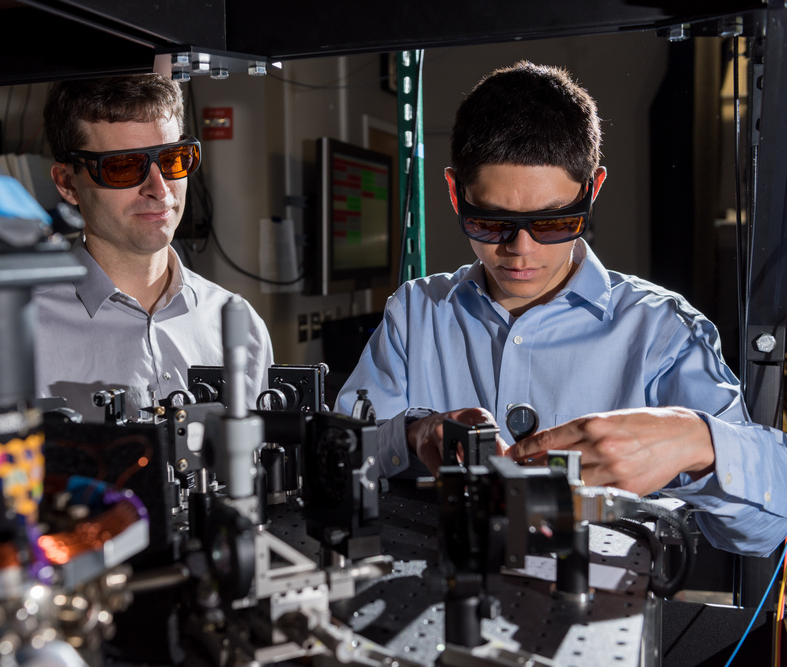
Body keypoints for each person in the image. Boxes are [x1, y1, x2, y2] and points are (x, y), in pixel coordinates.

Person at [336, 61, 787, 557]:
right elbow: (337, 460)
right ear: (454, 193)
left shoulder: (663, 330)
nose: (521, 249)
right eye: (491, 222)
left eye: (553, 224)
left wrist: (699, 443)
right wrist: (412, 432)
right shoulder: (417, 314)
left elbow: (760, 535)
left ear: (591, 190)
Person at [0, 74, 273, 485]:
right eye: (125, 166)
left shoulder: (236, 323)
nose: (159, 189)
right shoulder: (5, 330)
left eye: (172, 159)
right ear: (68, 183)